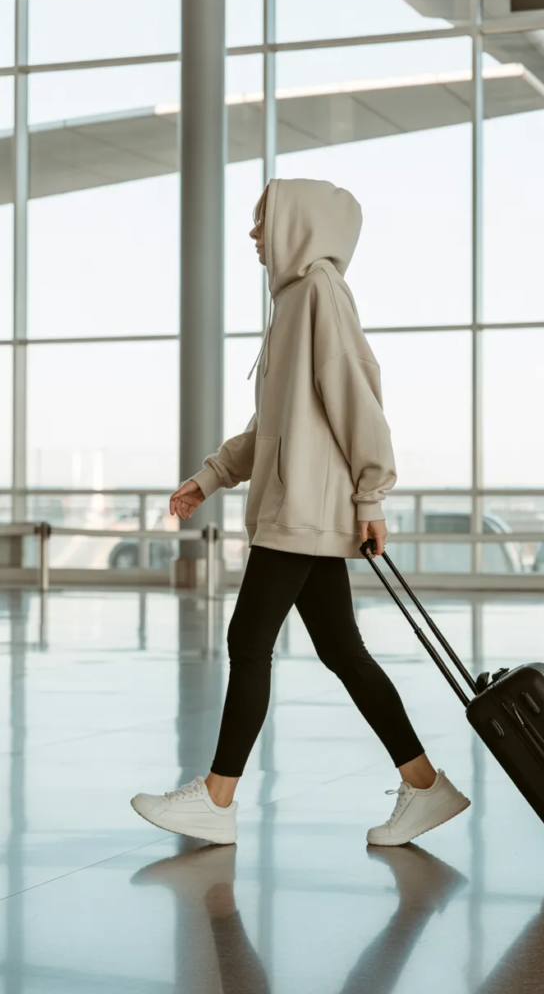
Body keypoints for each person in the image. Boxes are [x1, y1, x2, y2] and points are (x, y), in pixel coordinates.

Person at [131, 178, 470, 847]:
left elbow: (355, 394)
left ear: (300, 225)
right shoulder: (292, 302)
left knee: (247, 642)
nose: (254, 235)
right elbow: (273, 426)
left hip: (305, 507)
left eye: (264, 222)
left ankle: (217, 799)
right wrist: (210, 476)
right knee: (343, 650)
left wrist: (371, 492)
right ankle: (426, 786)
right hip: (297, 506)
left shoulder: (319, 291)